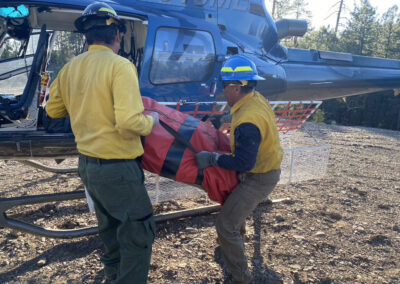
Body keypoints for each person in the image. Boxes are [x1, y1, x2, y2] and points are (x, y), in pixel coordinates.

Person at [46, 2, 158, 283]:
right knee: (137, 235)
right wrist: (152, 120)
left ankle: (113, 276)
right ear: (117, 35)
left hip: (88, 167)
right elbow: (130, 123)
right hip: (119, 170)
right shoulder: (121, 66)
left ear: (86, 37)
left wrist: (85, 105)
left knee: (110, 231)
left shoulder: (71, 67)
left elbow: (52, 110)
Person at [195, 55, 283, 284]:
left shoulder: (248, 121)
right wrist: (221, 119)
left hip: (260, 177)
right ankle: (232, 246)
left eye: (225, 86)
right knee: (234, 210)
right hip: (263, 168)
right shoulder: (255, 99)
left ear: (236, 87)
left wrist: (213, 158)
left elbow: (244, 163)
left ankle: (241, 277)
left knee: (225, 223)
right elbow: (239, 115)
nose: (223, 91)